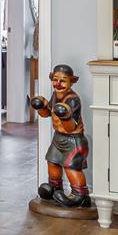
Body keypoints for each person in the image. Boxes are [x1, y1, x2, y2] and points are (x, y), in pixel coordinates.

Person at [28, 63, 90, 207]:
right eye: (55, 79)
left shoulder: (73, 99)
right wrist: (41, 106)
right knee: (52, 161)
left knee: (71, 167)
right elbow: (47, 114)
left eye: (63, 80)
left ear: (71, 82)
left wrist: (65, 115)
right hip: (58, 138)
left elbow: (70, 127)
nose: (58, 84)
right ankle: (55, 188)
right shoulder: (56, 95)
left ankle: (80, 196)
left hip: (73, 140)